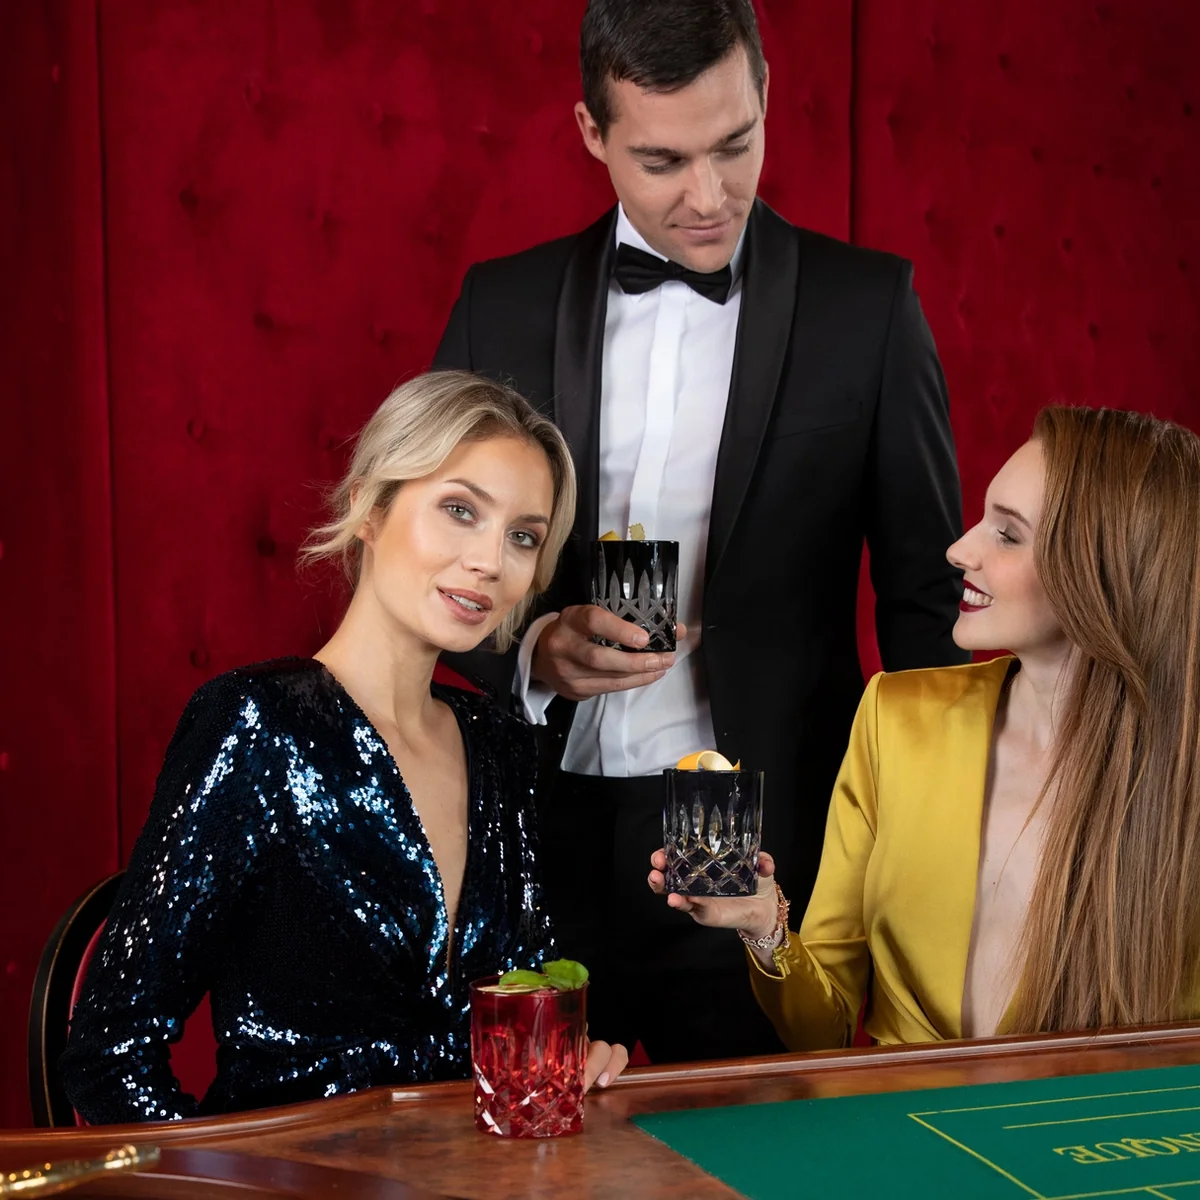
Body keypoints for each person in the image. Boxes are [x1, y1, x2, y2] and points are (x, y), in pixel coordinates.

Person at [433, 0, 967, 1061]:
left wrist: (941, 849)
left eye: (735, 144)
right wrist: (528, 650)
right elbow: (424, 555)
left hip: (757, 822)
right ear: (592, 133)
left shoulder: (867, 309)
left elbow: (926, 608)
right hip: (542, 817)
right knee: (540, 1122)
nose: (710, 196)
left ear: (765, 93)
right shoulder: (501, 304)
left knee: (744, 1120)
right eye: (663, 161)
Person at [62, 371, 628, 1123]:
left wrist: (567, 1056)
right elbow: (109, 1051)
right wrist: (220, 1174)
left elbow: (526, 1001)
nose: (491, 561)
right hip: (289, 1173)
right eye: (460, 510)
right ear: (370, 506)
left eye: (522, 536)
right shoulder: (255, 723)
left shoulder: (501, 747)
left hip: (475, 1171)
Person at [650, 405, 1200, 1047]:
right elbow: (822, 1033)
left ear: (1105, 572)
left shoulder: (1182, 778)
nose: (959, 549)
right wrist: (763, 926)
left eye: (1008, 534)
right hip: (907, 1108)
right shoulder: (896, 718)